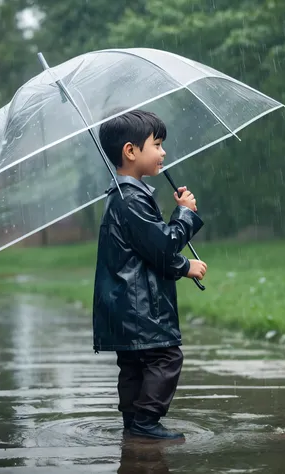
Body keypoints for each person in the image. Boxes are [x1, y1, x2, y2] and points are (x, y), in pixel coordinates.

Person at [92, 110, 207, 440]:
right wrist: (185, 214)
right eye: (156, 144)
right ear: (131, 151)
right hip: (140, 309)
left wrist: (183, 266)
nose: (163, 152)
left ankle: (133, 424)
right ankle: (145, 421)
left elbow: (145, 254)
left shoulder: (123, 197)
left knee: (133, 365)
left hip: (123, 308)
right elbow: (163, 247)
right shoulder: (132, 199)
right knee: (166, 357)